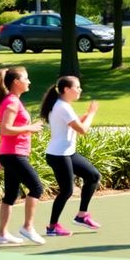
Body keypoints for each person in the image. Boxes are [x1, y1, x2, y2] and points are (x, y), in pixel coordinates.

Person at [39, 76, 102, 237]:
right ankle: (52, 226)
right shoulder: (62, 107)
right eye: (77, 87)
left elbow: (73, 125)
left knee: (93, 176)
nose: (80, 90)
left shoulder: (63, 105)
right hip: (58, 155)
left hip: (67, 153)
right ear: (66, 90)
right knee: (67, 190)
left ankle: (82, 215)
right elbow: (83, 130)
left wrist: (86, 115)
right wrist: (92, 113)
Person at [0, 66, 46, 245]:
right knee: (37, 188)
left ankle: (2, 234)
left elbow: (4, 132)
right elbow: (5, 129)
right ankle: (27, 227)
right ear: (16, 82)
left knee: (10, 195)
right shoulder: (12, 102)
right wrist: (30, 127)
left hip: (10, 153)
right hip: (15, 154)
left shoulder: (10, 101)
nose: (29, 82)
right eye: (26, 78)